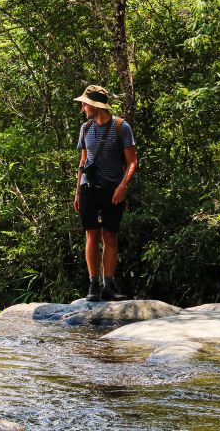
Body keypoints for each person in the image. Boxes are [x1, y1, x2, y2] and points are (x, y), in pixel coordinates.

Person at [73, 85, 138, 301]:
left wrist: (123, 186)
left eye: (85, 103)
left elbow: (132, 162)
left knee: (110, 235)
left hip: (112, 190)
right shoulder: (85, 128)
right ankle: (93, 285)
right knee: (92, 235)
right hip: (88, 189)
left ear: (95, 105)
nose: (83, 108)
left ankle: (107, 285)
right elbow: (83, 161)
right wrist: (77, 193)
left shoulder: (121, 127)